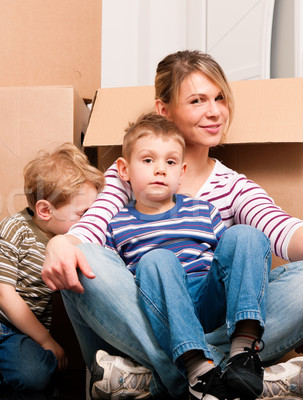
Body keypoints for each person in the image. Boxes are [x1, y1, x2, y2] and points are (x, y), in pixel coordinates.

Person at [41, 50, 303, 399]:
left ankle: (149, 380)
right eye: (197, 100)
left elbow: (280, 227)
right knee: (86, 258)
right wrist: (62, 243)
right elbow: (91, 229)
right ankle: (249, 382)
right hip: (149, 311)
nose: (214, 111)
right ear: (164, 110)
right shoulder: (128, 177)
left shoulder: (232, 186)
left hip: (212, 310)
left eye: (220, 98)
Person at [104, 113, 270, 399]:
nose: (160, 170)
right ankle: (198, 369)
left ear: (181, 172)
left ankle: (243, 351)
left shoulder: (202, 210)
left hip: (210, 302)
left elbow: (236, 262)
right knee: (158, 260)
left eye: (170, 162)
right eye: (147, 160)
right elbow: (113, 284)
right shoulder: (117, 224)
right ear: (124, 169)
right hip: (163, 310)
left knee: (245, 235)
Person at [0, 143, 105, 392]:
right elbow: (4, 295)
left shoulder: (72, 239)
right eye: (82, 214)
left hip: (19, 329)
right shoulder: (16, 229)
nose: (89, 222)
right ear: (44, 210)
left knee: (36, 377)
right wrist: (45, 339)